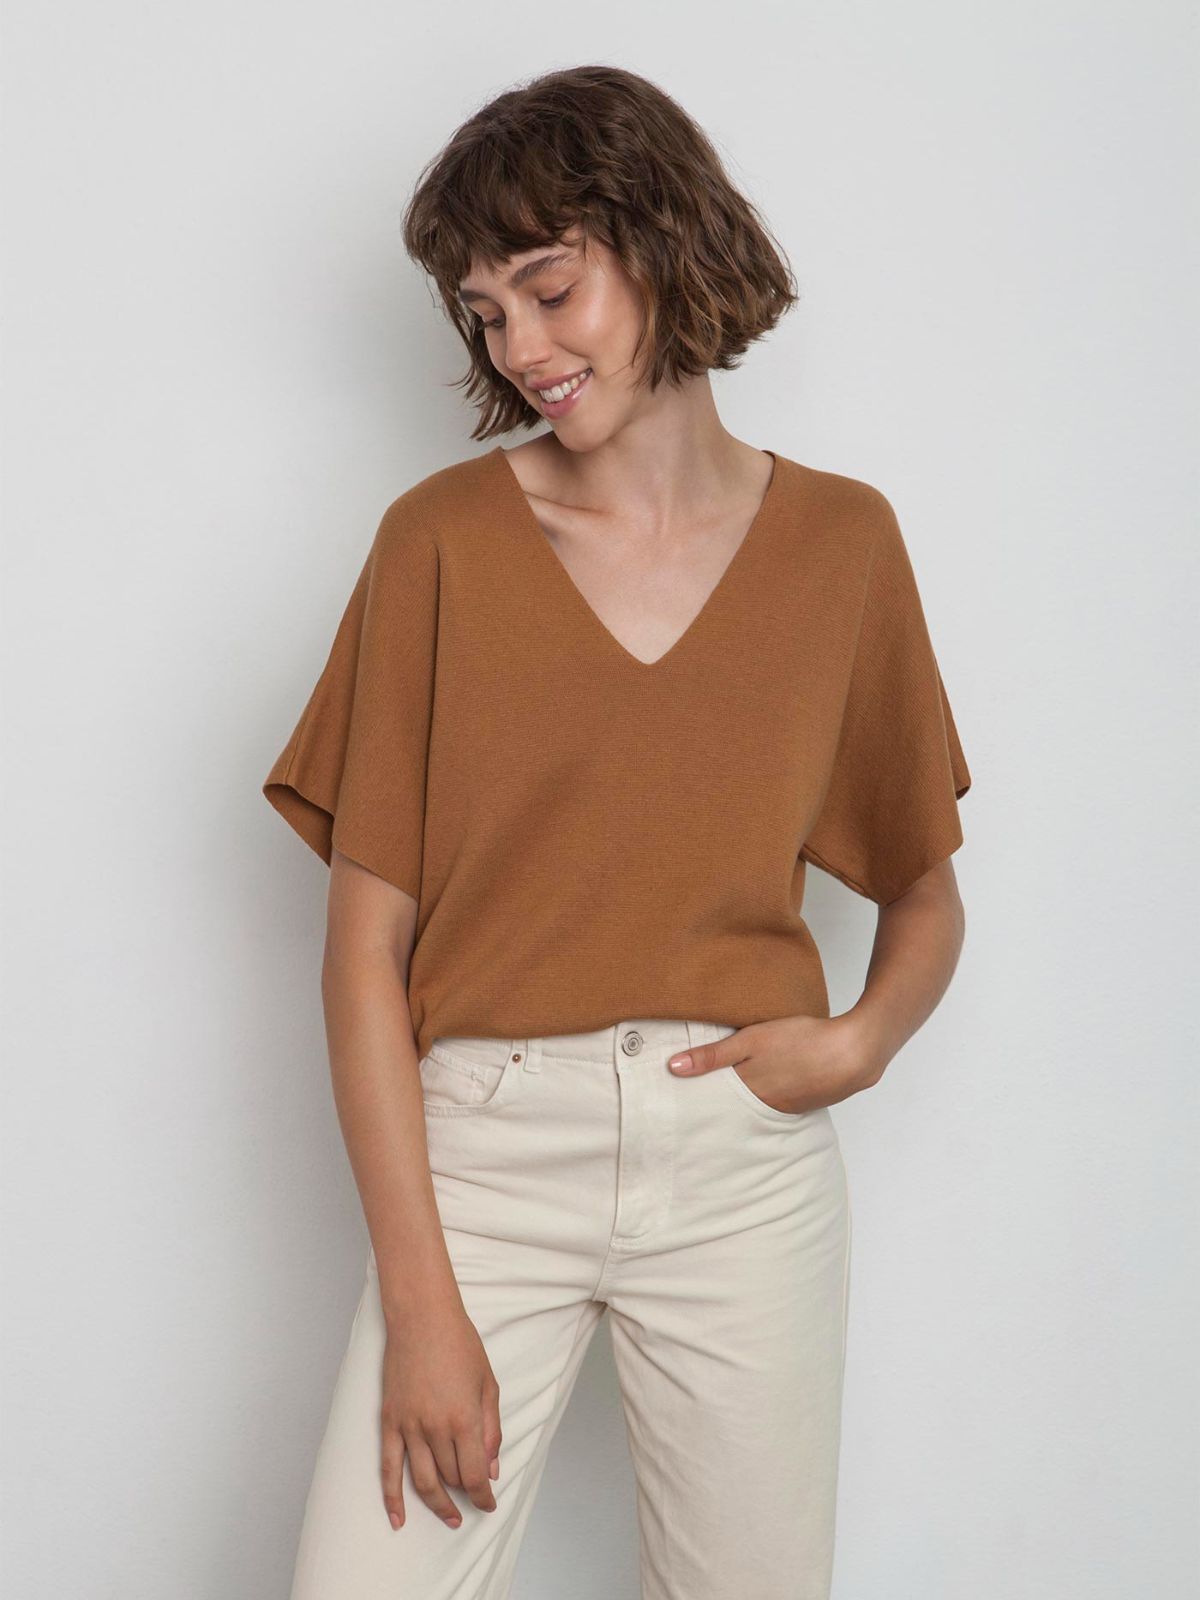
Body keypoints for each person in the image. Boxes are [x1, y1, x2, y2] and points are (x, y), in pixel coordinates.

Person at [262, 63, 971, 1600]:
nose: (520, 348)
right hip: (485, 1160)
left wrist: (861, 1043)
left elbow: (925, 891)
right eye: (483, 313)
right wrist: (423, 1305)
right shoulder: (439, 545)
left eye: (548, 287)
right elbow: (363, 954)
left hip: (742, 1168)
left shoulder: (843, 545)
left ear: (662, 244)